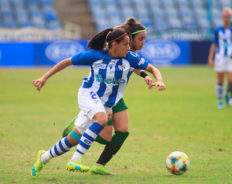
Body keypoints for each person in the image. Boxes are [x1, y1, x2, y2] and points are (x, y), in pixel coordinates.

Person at [31, 27, 166, 177]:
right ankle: (75, 160)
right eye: (125, 44)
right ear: (114, 44)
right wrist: (44, 78)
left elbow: (153, 68)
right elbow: (67, 62)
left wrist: (158, 80)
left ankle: (43, 158)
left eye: (129, 44)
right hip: (88, 94)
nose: (129, 48)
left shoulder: (130, 57)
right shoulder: (95, 55)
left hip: (106, 104)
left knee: (73, 139)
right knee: (101, 119)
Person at [61, 18, 157, 175]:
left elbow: (133, 66)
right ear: (129, 38)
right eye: (141, 39)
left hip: (115, 95)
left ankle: (99, 164)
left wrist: (145, 76)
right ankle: (75, 131)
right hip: (104, 93)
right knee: (105, 136)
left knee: (123, 131)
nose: (144, 42)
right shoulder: (118, 46)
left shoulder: (128, 52)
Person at [208, 7, 232, 109]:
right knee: (220, 79)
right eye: (224, 17)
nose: (226, 19)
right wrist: (210, 57)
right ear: (222, 18)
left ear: (230, 18)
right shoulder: (218, 30)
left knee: (231, 79)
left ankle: (226, 94)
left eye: (227, 17)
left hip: (231, 57)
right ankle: (220, 101)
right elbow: (214, 44)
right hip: (220, 57)